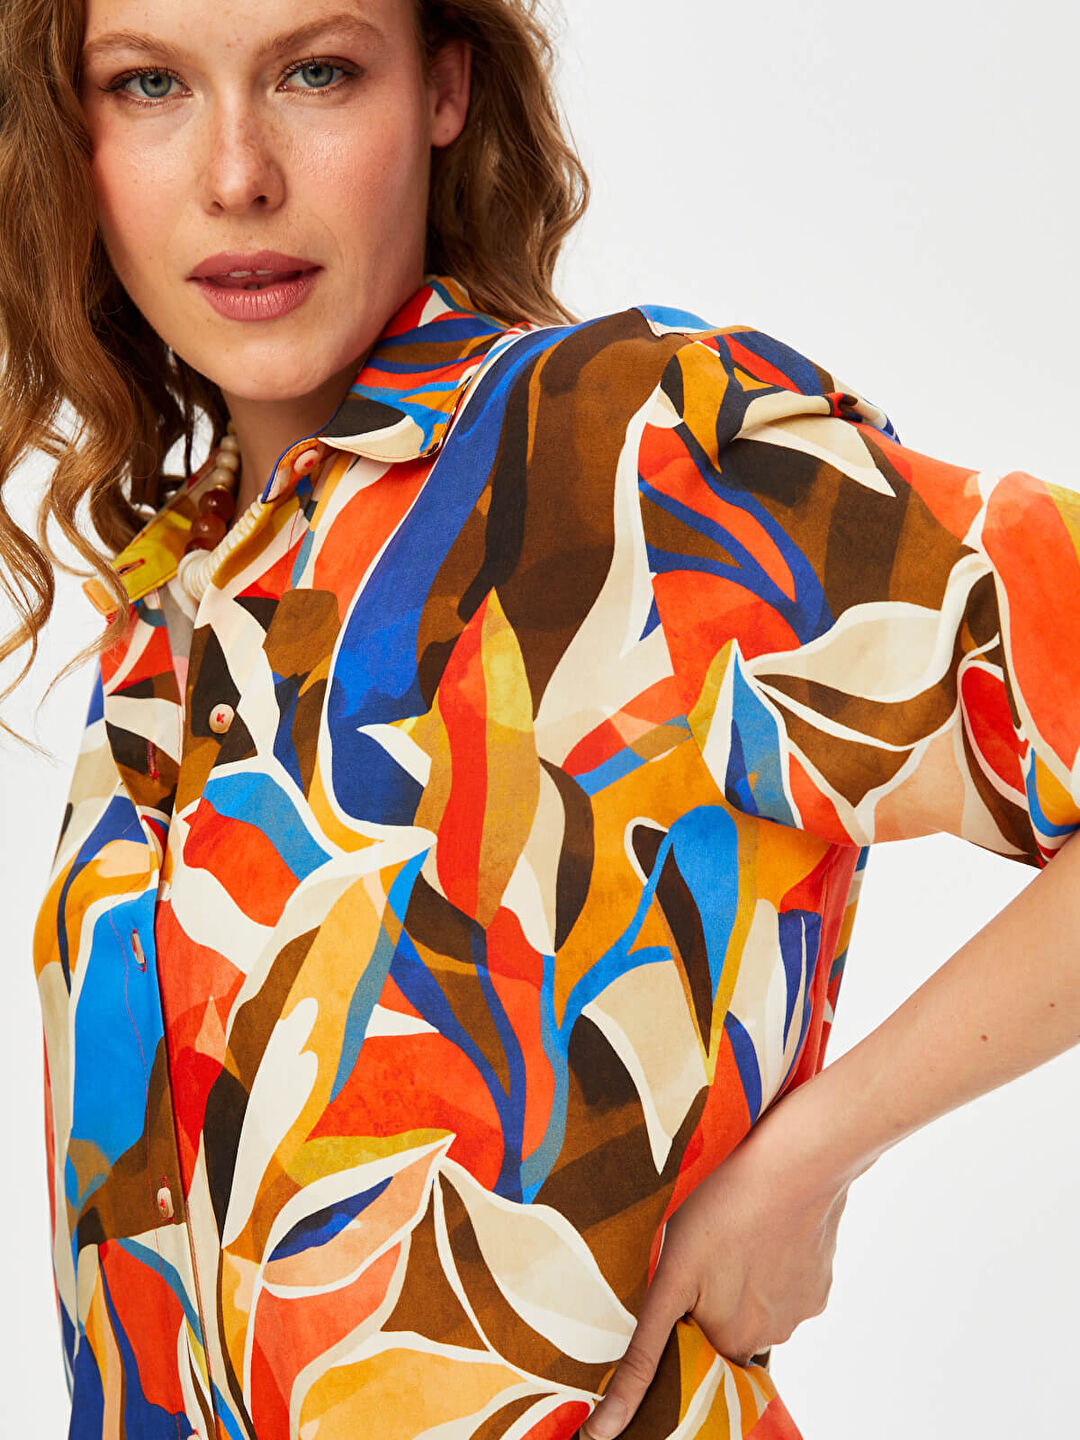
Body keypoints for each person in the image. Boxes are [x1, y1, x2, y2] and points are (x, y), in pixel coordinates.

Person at [4, 0, 1080, 1437]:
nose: (237, 174)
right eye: (149, 86)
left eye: (316, 71)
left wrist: (815, 1158)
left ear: (444, 89)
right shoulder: (173, 605)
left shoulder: (622, 456)